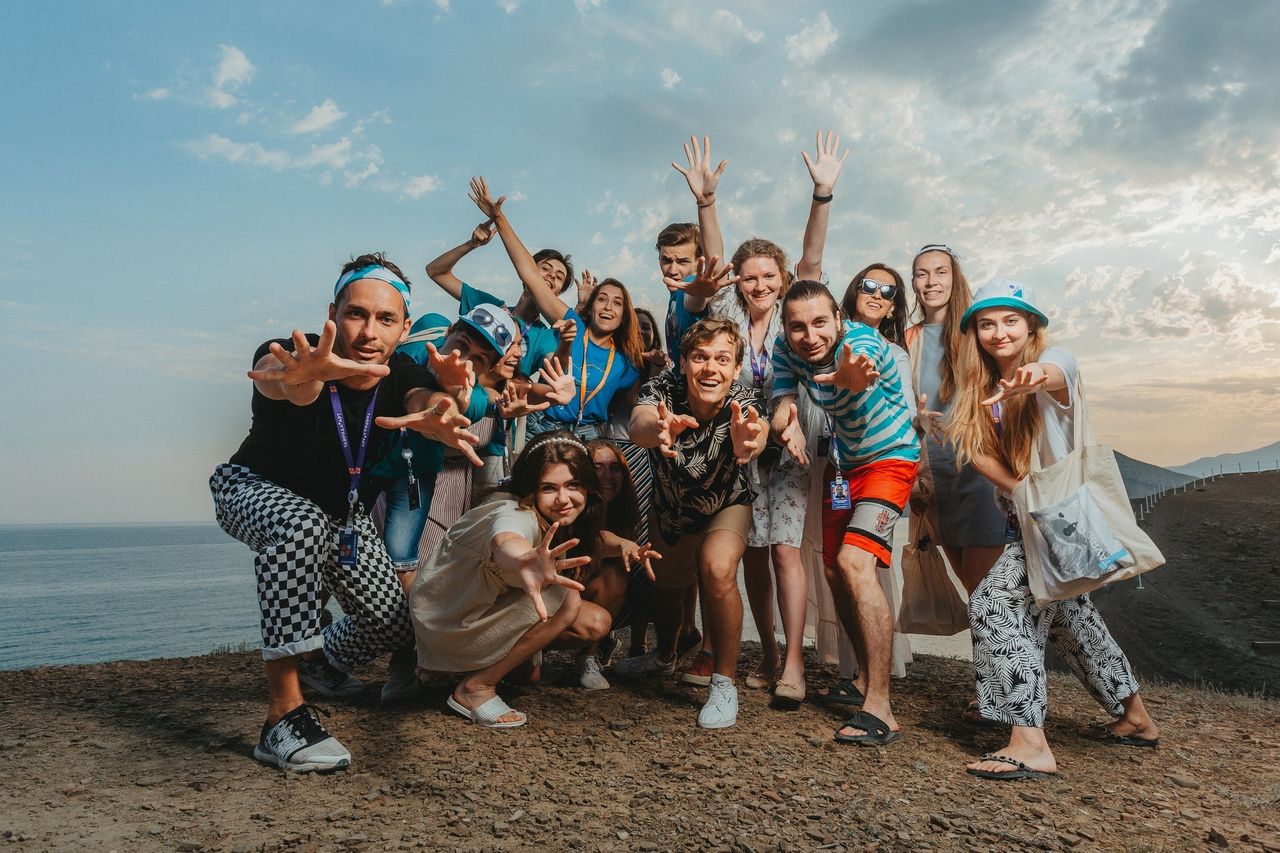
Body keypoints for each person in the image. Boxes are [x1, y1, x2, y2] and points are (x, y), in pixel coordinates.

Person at [210, 254, 484, 772]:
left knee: (394, 626)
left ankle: (318, 659)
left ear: (404, 327)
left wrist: (443, 405)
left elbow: (424, 398)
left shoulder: (400, 371)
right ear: (332, 314)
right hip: (251, 488)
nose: (368, 332)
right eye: (356, 313)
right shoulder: (299, 353)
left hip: (340, 515)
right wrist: (301, 378)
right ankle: (283, 717)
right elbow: (280, 377)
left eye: (385, 319)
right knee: (300, 524)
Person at [945, 280, 1160, 780]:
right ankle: (1135, 717)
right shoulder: (977, 391)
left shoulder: (1049, 368)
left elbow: (1061, 368)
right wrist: (1023, 491)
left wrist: (1035, 376)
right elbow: (976, 452)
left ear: (1031, 327)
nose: (999, 332)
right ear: (975, 334)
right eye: (986, 324)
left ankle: (1030, 743)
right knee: (1070, 616)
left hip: (1063, 521)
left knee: (994, 603)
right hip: (1030, 521)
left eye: (1011, 321)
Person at [666, 131, 845, 704]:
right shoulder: (728, 316)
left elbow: (811, 257)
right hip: (735, 446)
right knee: (752, 553)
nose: (760, 284)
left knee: (786, 550)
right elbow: (713, 261)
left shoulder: (795, 314)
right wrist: (706, 203)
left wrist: (821, 195)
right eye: (750, 277)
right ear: (738, 283)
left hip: (790, 441)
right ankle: (763, 651)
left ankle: (792, 663)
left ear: (783, 281)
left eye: (770, 276)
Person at [770, 279, 919, 746]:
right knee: (834, 570)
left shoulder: (862, 342)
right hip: (843, 465)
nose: (809, 336)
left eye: (820, 323)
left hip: (890, 458)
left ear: (838, 318)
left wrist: (849, 377)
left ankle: (880, 708)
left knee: (856, 563)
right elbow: (782, 401)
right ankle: (862, 678)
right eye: (798, 326)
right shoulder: (785, 348)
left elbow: (860, 374)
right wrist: (786, 427)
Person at [410, 431, 622, 727]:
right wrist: (523, 559)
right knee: (568, 601)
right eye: (548, 488)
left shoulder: (551, 515)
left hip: (458, 612)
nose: (563, 499)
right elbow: (506, 538)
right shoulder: (512, 510)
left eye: (573, 485)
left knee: (531, 674)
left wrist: (624, 545)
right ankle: (474, 688)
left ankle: (452, 667)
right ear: (530, 487)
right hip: (445, 621)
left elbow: (596, 540)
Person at [619, 316, 767, 729]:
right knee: (665, 591)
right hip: (671, 508)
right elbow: (639, 424)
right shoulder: (662, 388)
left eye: (722, 359)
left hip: (726, 502)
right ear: (683, 362)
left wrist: (752, 440)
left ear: (736, 368)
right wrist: (658, 428)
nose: (710, 368)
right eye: (700, 357)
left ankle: (723, 684)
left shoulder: (744, 397)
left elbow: (758, 428)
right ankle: (665, 655)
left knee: (717, 568)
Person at [467, 177, 645, 441]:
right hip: (543, 425)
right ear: (591, 306)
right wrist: (499, 218)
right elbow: (531, 275)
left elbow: (637, 404)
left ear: (625, 315)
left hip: (591, 435)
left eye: (617, 302)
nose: (608, 307)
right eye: (602, 299)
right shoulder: (572, 323)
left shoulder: (628, 361)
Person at [906, 245, 1006, 595]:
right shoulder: (909, 338)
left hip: (981, 472)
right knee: (974, 591)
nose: (931, 281)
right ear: (914, 283)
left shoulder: (976, 331)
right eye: (922, 274)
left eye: (940, 272)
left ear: (954, 278)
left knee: (985, 588)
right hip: (937, 478)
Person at [424, 218, 570, 377]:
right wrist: (471, 245)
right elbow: (436, 272)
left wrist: (567, 341)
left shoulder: (545, 336)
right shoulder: (489, 307)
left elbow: (556, 369)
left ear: (559, 293)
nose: (551, 275)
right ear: (526, 272)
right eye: (546, 268)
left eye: (559, 277)